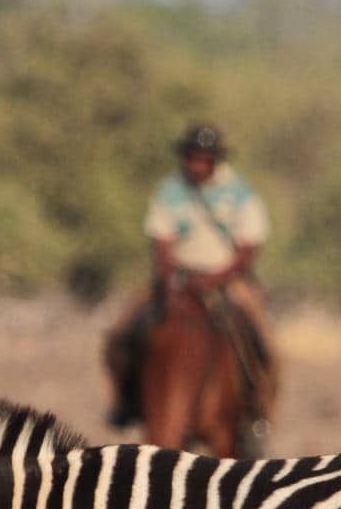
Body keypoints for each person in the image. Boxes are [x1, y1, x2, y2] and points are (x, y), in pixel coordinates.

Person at [104, 122, 273, 429]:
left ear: (215, 160)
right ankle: (126, 401)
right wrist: (170, 276)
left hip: (227, 279)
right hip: (178, 278)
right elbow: (161, 240)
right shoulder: (171, 190)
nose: (196, 164)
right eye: (192, 157)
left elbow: (248, 247)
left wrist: (216, 278)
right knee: (121, 332)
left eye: (203, 159)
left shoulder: (239, 193)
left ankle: (257, 409)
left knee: (262, 340)